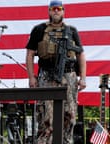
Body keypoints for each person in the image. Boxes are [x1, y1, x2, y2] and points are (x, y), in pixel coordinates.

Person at [25, 0, 86, 144]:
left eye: (59, 9)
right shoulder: (39, 29)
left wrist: (82, 77)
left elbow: (80, 54)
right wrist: (31, 77)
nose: (56, 11)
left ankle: (66, 141)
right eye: (53, 9)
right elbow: (30, 54)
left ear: (63, 11)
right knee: (46, 115)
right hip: (46, 74)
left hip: (69, 75)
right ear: (49, 11)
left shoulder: (71, 31)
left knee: (70, 114)